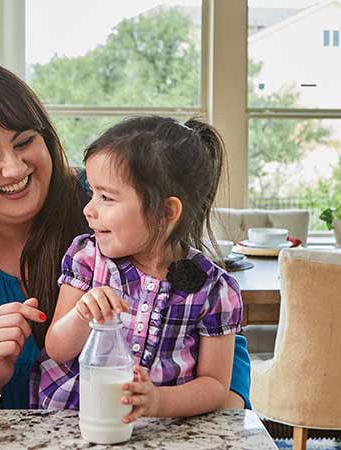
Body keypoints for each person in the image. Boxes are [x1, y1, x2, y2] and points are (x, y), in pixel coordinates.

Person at [0, 61, 250, 410]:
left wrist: (173, 403)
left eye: (24, 142)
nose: (15, 168)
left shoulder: (107, 207)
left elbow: (227, 379)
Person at [33, 116, 244, 421]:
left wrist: (159, 401)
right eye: (91, 192)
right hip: (79, 420)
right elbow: (57, 349)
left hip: (162, 431)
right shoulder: (87, 258)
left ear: (166, 212)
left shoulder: (214, 290)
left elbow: (214, 385)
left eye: (106, 197)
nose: (88, 209)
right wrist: (81, 313)